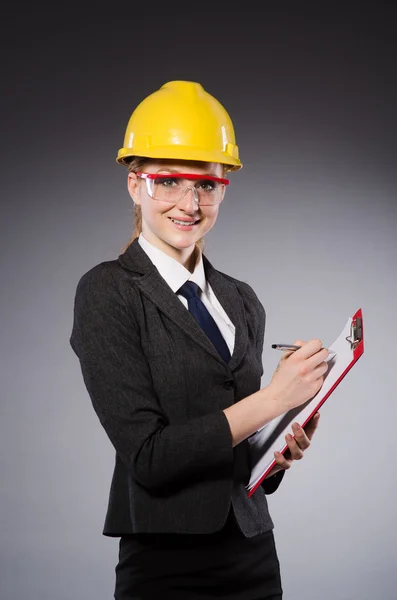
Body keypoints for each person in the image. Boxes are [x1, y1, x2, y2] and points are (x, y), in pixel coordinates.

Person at [69, 80, 327, 599]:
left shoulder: (240, 299)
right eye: (168, 181)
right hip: (167, 567)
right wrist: (273, 398)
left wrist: (274, 451)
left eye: (206, 185)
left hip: (253, 555)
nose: (189, 203)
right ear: (135, 183)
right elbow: (150, 456)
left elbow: (236, 451)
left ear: (224, 188)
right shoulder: (108, 291)